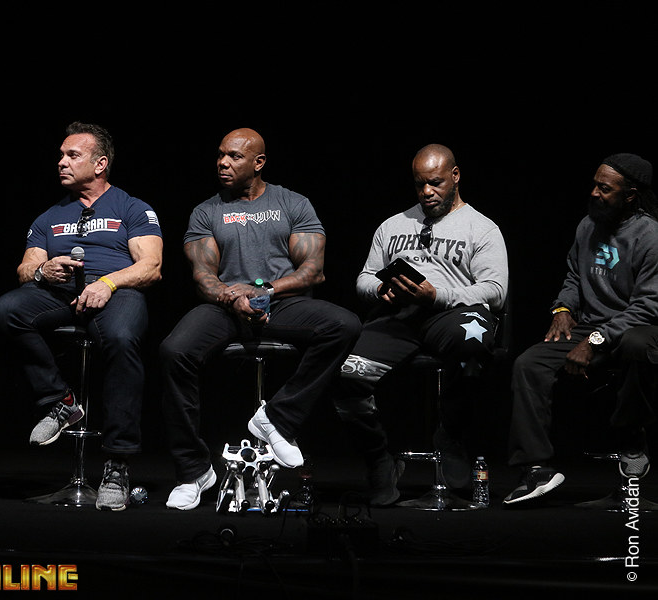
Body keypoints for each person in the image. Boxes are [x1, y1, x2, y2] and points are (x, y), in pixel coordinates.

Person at [160, 128, 361, 510]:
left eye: (234, 156)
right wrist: (232, 296)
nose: (223, 163)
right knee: (174, 351)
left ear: (259, 162)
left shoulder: (292, 203)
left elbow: (313, 271)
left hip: (280, 302)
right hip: (226, 306)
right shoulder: (207, 211)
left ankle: (277, 418)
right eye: (220, 155)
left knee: (344, 324)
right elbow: (203, 276)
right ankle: (193, 470)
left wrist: (265, 290)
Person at [0, 122, 162, 511]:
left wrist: (109, 283)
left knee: (122, 339)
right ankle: (60, 400)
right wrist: (42, 270)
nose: (61, 162)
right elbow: (25, 268)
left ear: (100, 164)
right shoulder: (49, 216)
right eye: (61, 155)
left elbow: (151, 266)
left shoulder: (132, 208)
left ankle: (117, 463)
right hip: (61, 293)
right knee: (6, 310)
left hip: (117, 291)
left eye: (73, 155)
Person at [336, 144, 509, 506]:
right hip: (399, 317)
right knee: (346, 376)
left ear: (455, 176)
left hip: (450, 313)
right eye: (419, 185)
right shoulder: (392, 225)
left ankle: (451, 434)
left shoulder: (482, 228)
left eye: (436, 183)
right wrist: (381, 288)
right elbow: (364, 278)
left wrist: (437, 295)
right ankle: (380, 460)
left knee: (474, 342)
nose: (427, 192)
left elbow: (495, 291)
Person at [504, 153, 658, 507]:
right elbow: (574, 276)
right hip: (591, 327)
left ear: (630, 195)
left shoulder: (650, 236)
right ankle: (535, 469)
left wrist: (594, 341)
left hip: (637, 328)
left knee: (637, 344)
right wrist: (562, 308)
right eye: (594, 185)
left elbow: (648, 306)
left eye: (604, 189)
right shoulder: (588, 225)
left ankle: (632, 437)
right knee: (529, 364)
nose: (594, 193)